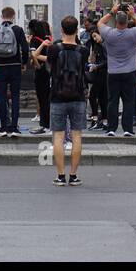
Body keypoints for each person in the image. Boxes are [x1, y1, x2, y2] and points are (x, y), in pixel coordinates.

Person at [39, 15, 87, 186]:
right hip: (78, 96)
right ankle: (73, 175)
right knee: (77, 135)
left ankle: (60, 175)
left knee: (58, 136)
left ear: (61, 29)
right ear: (76, 29)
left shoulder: (53, 49)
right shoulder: (83, 50)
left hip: (57, 96)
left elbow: (48, 67)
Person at [97, 3, 136, 137]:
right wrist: (133, 15)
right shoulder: (133, 34)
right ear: (127, 22)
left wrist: (112, 12)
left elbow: (100, 23)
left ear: (116, 21)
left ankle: (111, 128)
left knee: (112, 100)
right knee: (128, 101)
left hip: (112, 71)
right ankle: (127, 129)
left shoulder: (109, 33)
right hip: (129, 71)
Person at [0, 7, 30, 136]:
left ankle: (4, 127)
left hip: (0, 66)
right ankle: (14, 127)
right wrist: (23, 63)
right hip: (15, 66)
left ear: (1, 16)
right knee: (15, 96)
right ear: (14, 16)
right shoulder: (18, 30)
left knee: (1, 96)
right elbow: (25, 48)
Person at [28, 19, 53, 135]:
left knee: (42, 99)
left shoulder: (34, 40)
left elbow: (33, 56)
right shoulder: (48, 40)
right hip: (49, 71)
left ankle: (45, 124)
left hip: (41, 72)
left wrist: (37, 66)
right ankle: (48, 124)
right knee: (47, 98)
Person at [85, 25, 108, 129]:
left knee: (93, 96)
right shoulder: (98, 46)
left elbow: (107, 61)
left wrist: (96, 66)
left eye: (95, 36)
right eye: (93, 37)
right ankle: (104, 120)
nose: (94, 39)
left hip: (102, 74)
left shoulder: (103, 45)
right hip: (101, 74)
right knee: (102, 98)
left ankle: (95, 119)